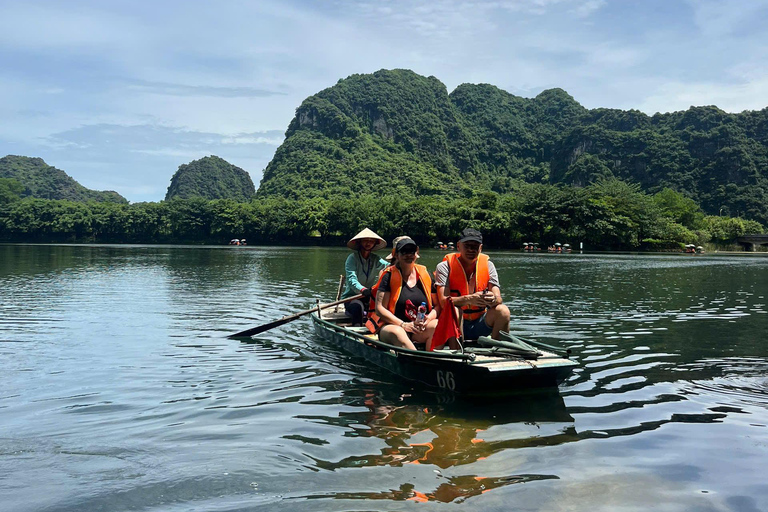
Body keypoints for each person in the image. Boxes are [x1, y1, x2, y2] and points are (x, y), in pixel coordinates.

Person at [435, 228, 510, 340]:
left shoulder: (488, 265)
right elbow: (443, 301)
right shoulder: (444, 267)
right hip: (455, 323)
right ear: (459, 246)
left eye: (475, 246)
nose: (471, 250)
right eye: (467, 246)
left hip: (480, 323)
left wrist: (492, 299)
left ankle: (498, 348)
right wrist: (469, 299)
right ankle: (458, 350)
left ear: (480, 248)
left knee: (503, 311)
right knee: (454, 310)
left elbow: (499, 298)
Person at [369, 237, 438, 350]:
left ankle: (432, 359)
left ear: (416, 253)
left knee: (436, 324)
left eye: (411, 251)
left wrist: (428, 319)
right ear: (396, 255)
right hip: (393, 326)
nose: (408, 255)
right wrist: (403, 325)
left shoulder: (425, 274)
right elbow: (380, 308)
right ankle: (416, 361)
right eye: (404, 252)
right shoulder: (388, 275)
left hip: (418, 327)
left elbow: (438, 305)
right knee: (398, 332)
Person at [341, 228, 388, 325]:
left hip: (368, 296)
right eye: (365, 240)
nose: (368, 243)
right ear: (359, 242)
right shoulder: (352, 258)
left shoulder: (375, 259)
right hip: (352, 298)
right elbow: (351, 279)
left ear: (375, 243)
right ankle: (356, 334)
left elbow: (388, 266)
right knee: (358, 308)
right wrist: (362, 289)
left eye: (371, 241)